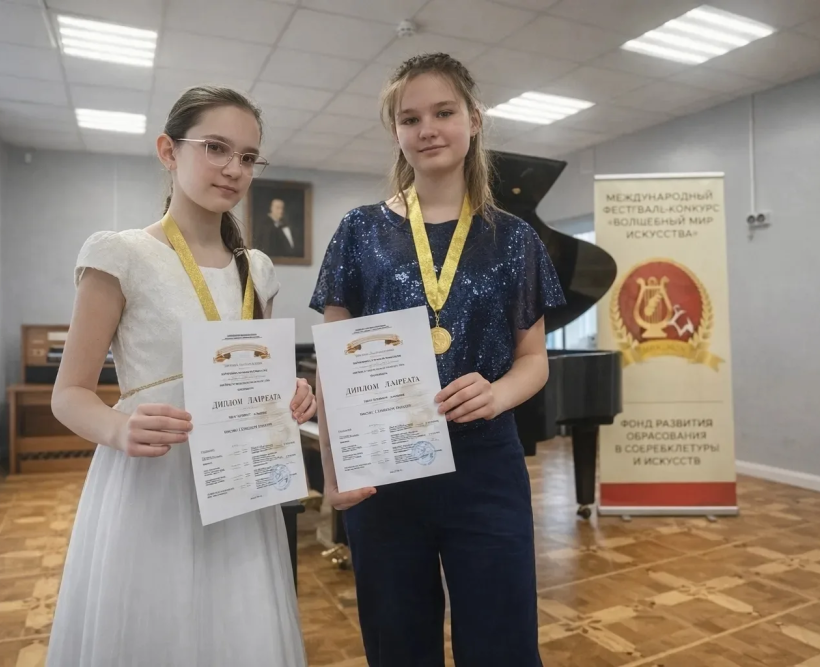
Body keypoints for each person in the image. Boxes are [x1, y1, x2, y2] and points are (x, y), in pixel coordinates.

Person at [309, 53, 565, 667]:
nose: (427, 129)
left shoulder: (515, 238)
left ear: (474, 119)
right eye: (410, 118)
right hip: (384, 467)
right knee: (397, 642)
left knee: (501, 642)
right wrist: (332, 469)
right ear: (396, 131)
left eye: (443, 112)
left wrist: (498, 394)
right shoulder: (359, 230)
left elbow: (534, 358)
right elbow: (333, 363)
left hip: (485, 466)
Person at [46, 86, 315, 667]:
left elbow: (260, 375)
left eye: (248, 156)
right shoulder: (120, 255)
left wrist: (290, 392)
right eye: (216, 148)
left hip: (240, 483)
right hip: (154, 481)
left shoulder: (258, 269)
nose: (234, 169)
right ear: (169, 151)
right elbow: (68, 394)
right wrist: (118, 428)